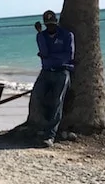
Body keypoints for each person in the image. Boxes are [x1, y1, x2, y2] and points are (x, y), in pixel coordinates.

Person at [32, 10, 75, 146]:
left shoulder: (67, 35)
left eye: (52, 24)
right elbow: (43, 52)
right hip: (46, 71)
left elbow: (68, 56)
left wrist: (49, 56)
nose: (50, 27)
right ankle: (40, 128)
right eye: (48, 25)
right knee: (38, 96)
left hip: (62, 72)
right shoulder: (42, 36)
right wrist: (39, 34)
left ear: (56, 23)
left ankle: (50, 135)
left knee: (57, 101)